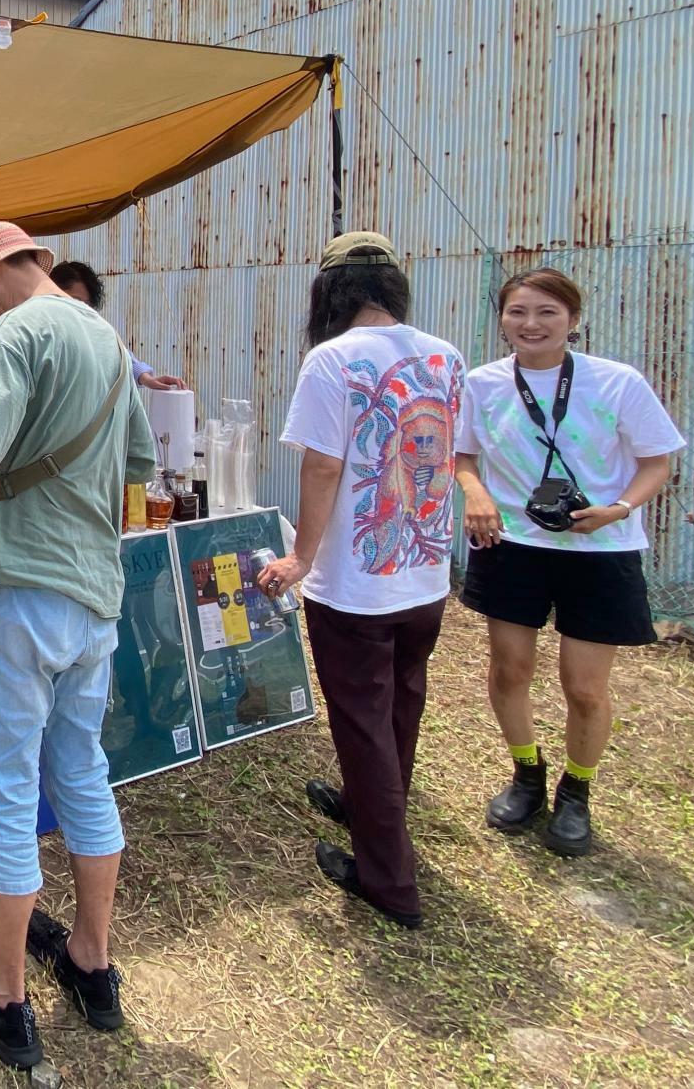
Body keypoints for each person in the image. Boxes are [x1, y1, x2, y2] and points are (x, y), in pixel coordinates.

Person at [0, 222, 158, 1069]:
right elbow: (138, 457)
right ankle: (94, 964)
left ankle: (8, 996)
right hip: (93, 595)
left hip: (17, 591)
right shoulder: (105, 334)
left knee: (2, 792)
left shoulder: (16, 331)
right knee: (83, 773)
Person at [257, 232, 465, 930]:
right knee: (402, 704)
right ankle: (375, 806)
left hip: (357, 582)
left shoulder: (331, 359)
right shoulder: (444, 353)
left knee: (362, 722)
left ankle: (389, 881)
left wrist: (302, 558)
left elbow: (321, 468)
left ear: (327, 294)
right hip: (425, 573)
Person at [453, 268, 684, 857]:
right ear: (502, 319)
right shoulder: (482, 384)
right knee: (509, 671)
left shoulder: (616, 383)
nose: (530, 325)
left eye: (546, 313)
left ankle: (576, 791)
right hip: (513, 547)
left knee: (583, 687)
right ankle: (526, 773)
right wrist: (475, 494)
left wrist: (618, 509)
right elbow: (463, 455)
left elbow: (657, 461)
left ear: (573, 320)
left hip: (600, 549)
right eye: (518, 313)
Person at [50, 259, 185, 392]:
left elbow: (117, 354)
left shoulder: (90, 332)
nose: (78, 310)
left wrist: (146, 378)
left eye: (85, 305)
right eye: (72, 301)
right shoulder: (39, 334)